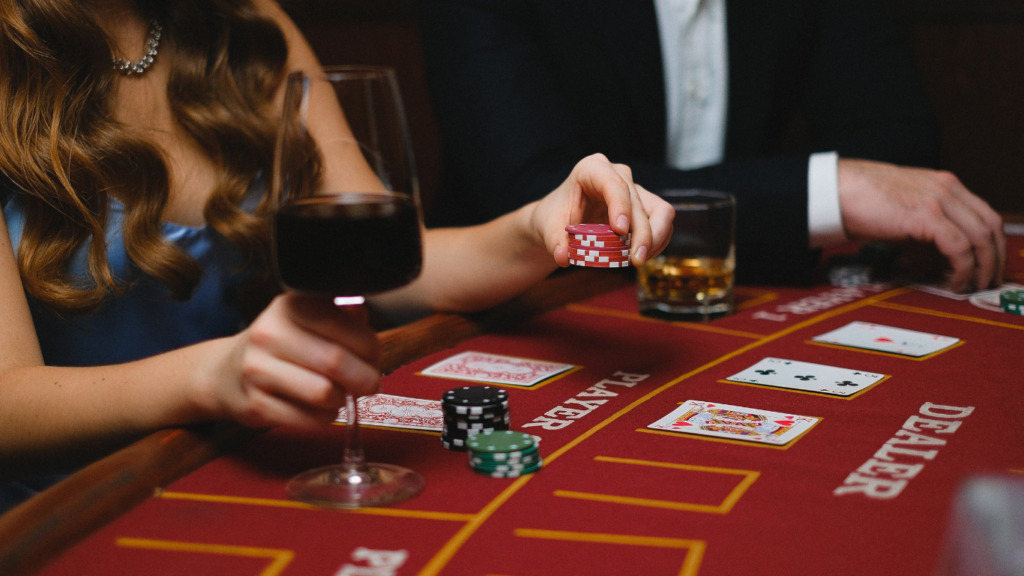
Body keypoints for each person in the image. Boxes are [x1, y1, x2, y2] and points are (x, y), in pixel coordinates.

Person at [0, 0, 673, 512]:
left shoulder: (243, 20)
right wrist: (212, 378)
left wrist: (535, 226)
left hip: (230, 472)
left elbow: (391, 260)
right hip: (68, 515)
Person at [418, 0, 1006, 291]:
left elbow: (900, 152)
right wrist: (829, 191)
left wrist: (840, 189)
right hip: (522, 311)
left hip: (740, 297)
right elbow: (535, 193)